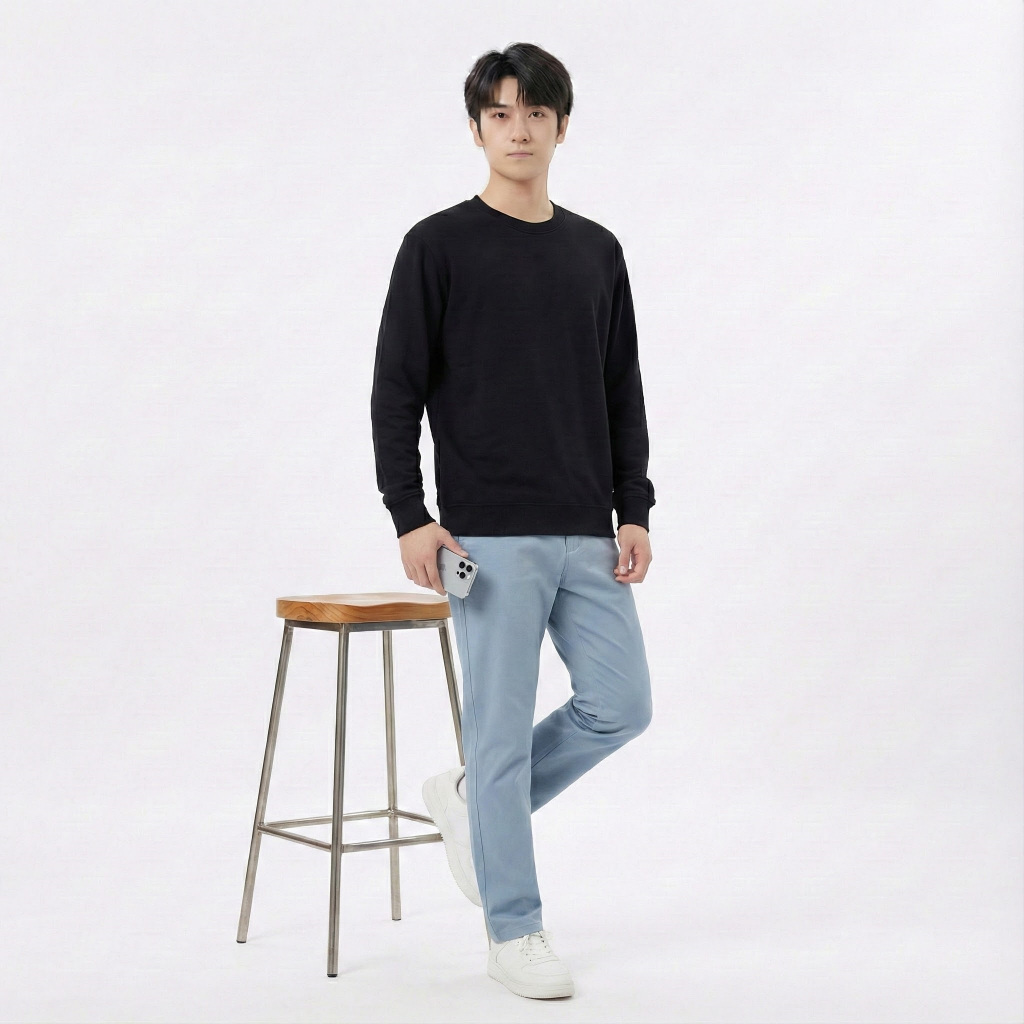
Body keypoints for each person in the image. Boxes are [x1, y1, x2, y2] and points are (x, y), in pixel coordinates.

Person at [370, 42, 655, 1000]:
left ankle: (470, 801)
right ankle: (515, 929)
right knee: (496, 733)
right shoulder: (437, 246)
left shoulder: (596, 251)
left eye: (536, 113)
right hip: (486, 535)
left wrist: (634, 507)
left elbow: (621, 391)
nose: (519, 129)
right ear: (476, 128)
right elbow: (395, 390)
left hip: (587, 526)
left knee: (622, 705)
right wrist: (411, 516)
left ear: (562, 126)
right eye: (500, 113)